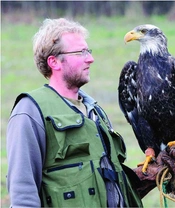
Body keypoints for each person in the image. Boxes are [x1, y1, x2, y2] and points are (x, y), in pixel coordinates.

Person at [6, 18, 161, 207]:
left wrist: (148, 177)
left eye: (88, 51)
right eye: (81, 52)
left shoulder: (95, 112)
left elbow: (108, 186)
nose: (90, 58)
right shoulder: (31, 111)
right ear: (54, 62)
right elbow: (23, 195)